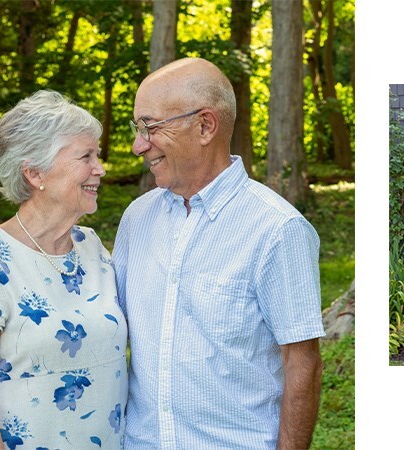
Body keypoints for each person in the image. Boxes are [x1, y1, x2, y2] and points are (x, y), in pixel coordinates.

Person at [113, 58, 325, 448]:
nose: (138, 145)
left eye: (150, 127)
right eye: (137, 128)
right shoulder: (137, 218)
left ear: (205, 126)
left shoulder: (277, 229)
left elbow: (302, 364)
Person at [0, 91, 128, 448]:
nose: (100, 168)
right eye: (86, 156)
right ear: (34, 173)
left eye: (98, 154)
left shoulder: (91, 247)